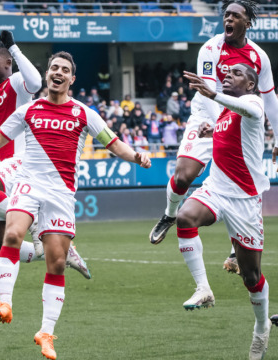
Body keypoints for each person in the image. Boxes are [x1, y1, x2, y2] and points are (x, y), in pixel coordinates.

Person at [0, 52, 151, 360]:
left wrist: (137, 156)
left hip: (61, 195)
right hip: (28, 184)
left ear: (71, 79)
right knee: (12, 235)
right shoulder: (28, 111)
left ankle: (46, 333)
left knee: (55, 263)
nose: (58, 73)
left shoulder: (84, 113)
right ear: (48, 73)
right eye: (54, 67)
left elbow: (113, 142)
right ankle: (5, 302)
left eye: (65, 70)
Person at [0, 31, 91, 278]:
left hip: (20, 163)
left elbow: (35, 83)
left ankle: (34, 224)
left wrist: (12, 46)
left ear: (7, 63)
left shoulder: (16, 83)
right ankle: (55, 250)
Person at [149, 0, 278, 275]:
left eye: (235, 16)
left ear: (247, 23)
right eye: (226, 15)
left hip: (241, 122)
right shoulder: (210, 48)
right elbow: (206, 91)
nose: (228, 19)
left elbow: (270, 101)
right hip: (208, 114)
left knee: (236, 181)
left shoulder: (259, 57)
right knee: (183, 176)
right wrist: (220, 125)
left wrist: (277, 139)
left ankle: (238, 242)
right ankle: (170, 214)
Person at [178, 64, 271, 359]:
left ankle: (261, 328)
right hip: (216, 190)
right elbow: (229, 141)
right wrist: (210, 133)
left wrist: (213, 93)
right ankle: (203, 287)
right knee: (184, 217)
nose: (228, 75)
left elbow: (253, 114)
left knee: (251, 277)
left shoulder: (253, 102)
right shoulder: (224, 113)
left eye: (237, 74)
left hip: (244, 201)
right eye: (226, 72)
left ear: (251, 83)